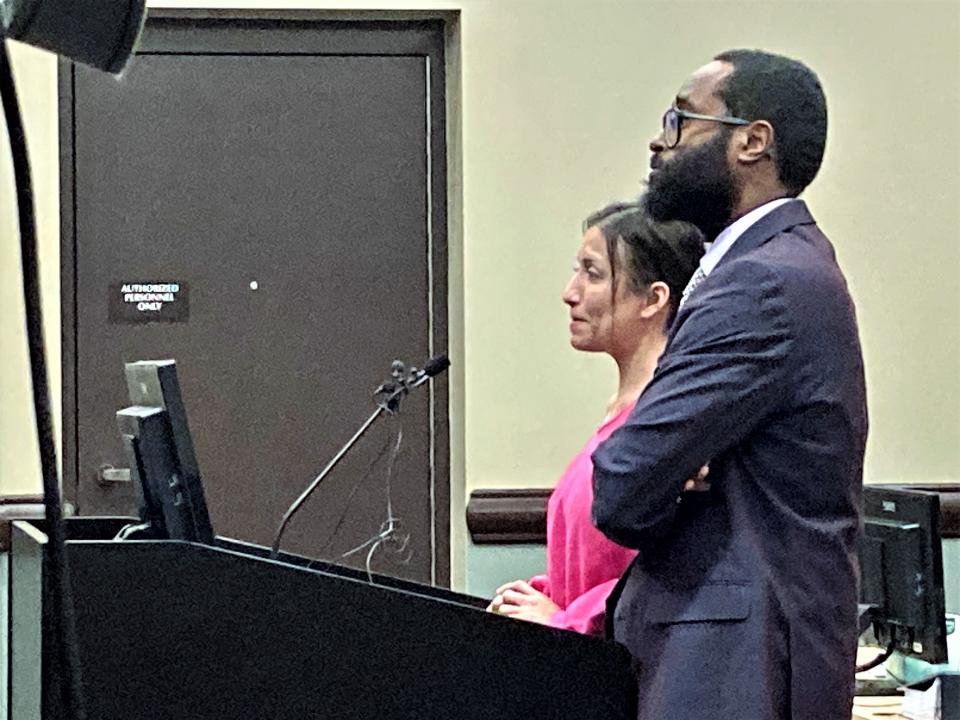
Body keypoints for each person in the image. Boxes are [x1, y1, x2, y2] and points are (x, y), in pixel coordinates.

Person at [591, 50, 868, 720]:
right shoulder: (774, 265)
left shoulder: (761, 282)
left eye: (682, 119)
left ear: (752, 140)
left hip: (737, 668)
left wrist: (667, 475)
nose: (661, 141)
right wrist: (673, 470)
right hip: (739, 653)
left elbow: (623, 482)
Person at [488, 201, 704, 635]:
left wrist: (568, 618)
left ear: (653, 299)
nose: (571, 292)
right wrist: (538, 596)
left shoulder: (667, 423)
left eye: (593, 274)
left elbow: (666, 576)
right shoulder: (623, 414)